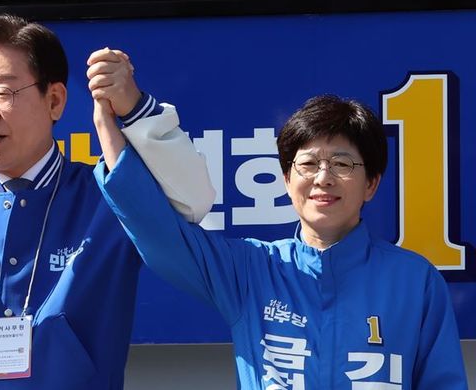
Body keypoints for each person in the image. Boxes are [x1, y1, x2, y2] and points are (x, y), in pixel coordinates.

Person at [0, 15, 214, 389]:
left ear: (55, 101)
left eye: (3, 93)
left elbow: (193, 201)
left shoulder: (108, 198)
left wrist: (135, 110)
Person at [90, 85, 468, 388]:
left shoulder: (415, 280)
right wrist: (111, 126)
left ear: (371, 183)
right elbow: (158, 231)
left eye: (342, 163)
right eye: (308, 164)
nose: (323, 178)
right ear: (287, 181)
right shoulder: (250, 270)